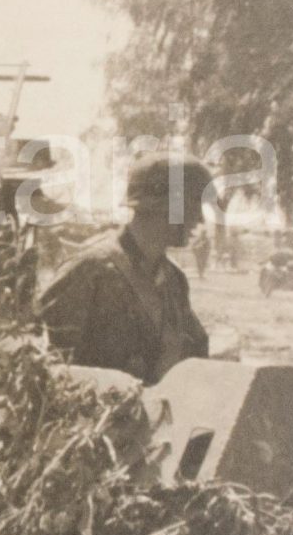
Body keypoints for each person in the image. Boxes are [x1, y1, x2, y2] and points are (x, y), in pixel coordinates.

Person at [35, 151, 211, 384]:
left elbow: (194, 355)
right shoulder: (89, 270)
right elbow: (45, 366)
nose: (200, 219)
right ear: (163, 206)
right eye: (194, 204)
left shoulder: (173, 280)